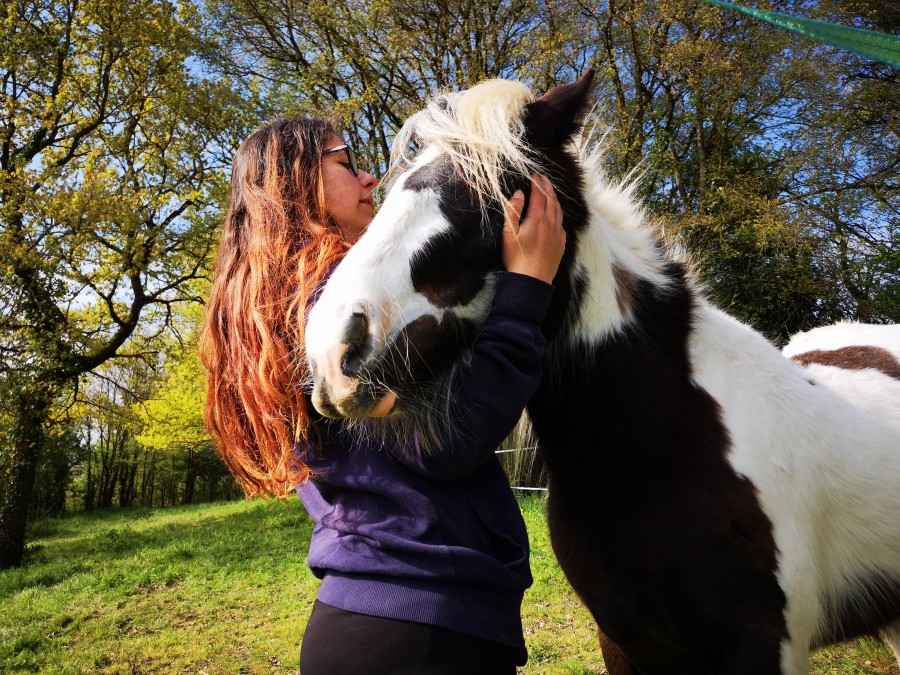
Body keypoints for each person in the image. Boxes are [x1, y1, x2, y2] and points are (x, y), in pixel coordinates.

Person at [199, 117, 565, 674]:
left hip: (365, 617)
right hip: (425, 626)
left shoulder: (269, 314)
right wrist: (528, 288)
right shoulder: (343, 308)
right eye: (346, 164)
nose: (370, 179)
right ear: (293, 183)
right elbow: (444, 444)